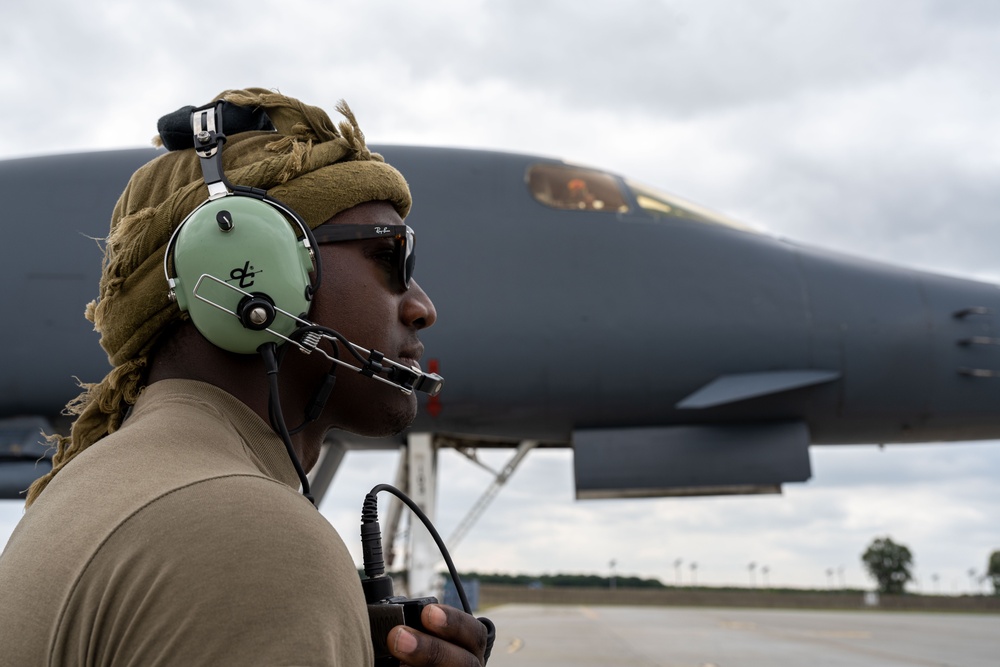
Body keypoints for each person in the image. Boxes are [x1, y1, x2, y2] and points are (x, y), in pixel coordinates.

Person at [0, 88, 489, 666]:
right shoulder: (249, 540)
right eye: (390, 258)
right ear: (251, 276)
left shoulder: (85, 492)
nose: (421, 307)